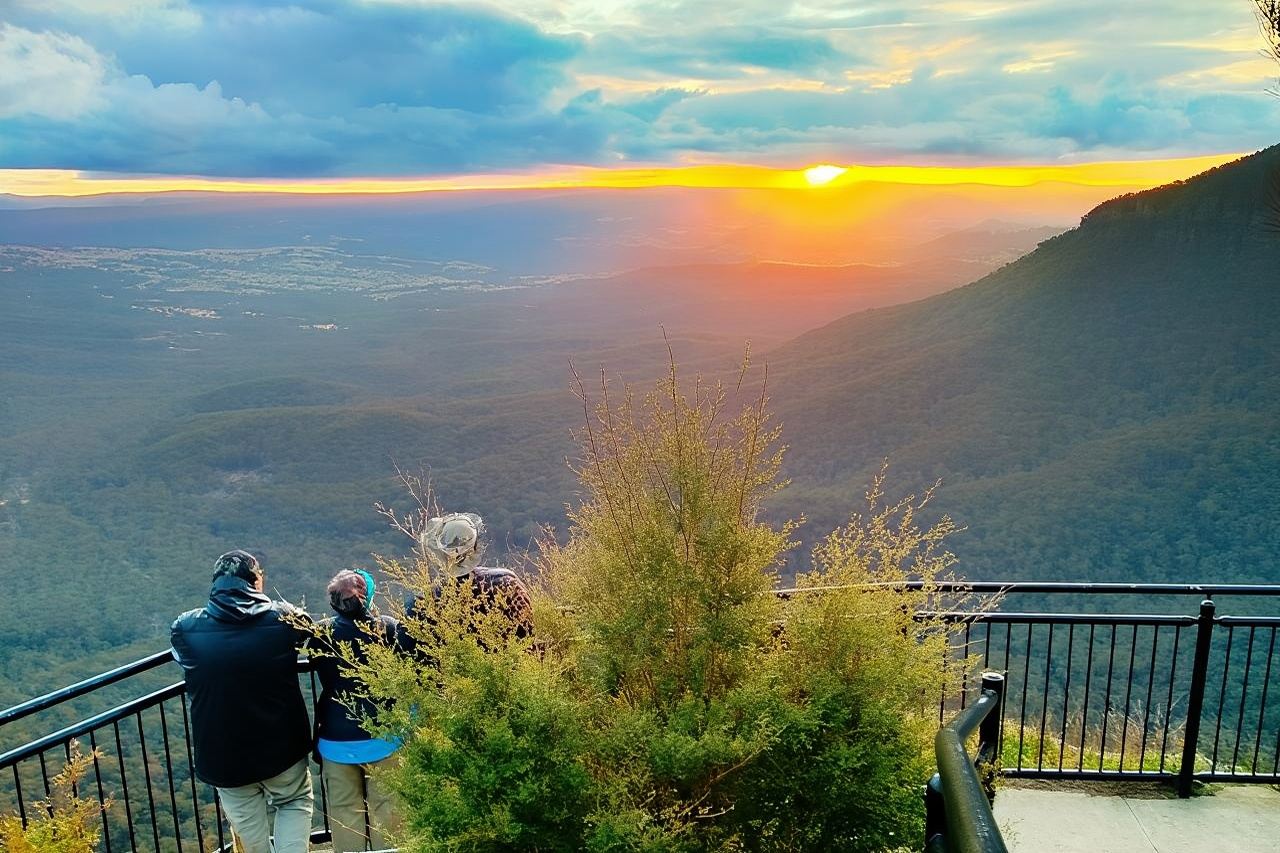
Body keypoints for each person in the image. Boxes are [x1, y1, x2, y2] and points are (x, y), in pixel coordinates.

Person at [170, 550, 313, 853]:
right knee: (293, 802)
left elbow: (184, 658)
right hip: (283, 747)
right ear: (256, 580)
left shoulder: (185, 628)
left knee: (250, 835)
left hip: (225, 758)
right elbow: (309, 630)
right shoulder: (285, 619)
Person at [313, 569, 412, 853]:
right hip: (385, 736)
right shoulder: (389, 628)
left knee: (345, 814)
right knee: (389, 811)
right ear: (367, 598)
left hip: (335, 739)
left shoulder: (321, 633)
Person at [414, 512, 534, 640]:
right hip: (512, 656)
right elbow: (528, 633)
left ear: (440, 555)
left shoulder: (425, 602)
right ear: (475, 548)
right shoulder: (506, 582)